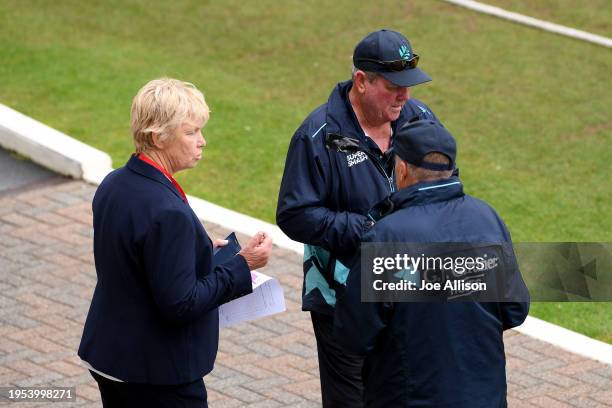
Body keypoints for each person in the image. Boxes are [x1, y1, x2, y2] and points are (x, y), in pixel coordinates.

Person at [78, 78, 272, 407]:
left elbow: (135, 250)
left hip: (111, 355)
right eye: (191, 132)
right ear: (158, 137)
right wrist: (243, 265)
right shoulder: (168, 212)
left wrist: (195, 244)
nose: (202, 142)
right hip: (156, 373)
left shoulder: (114, 184)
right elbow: (181, 304)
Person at [276, 29, 442, 406]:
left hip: (408, 293)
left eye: (409, 85)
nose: (404, 96)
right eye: (393, 86)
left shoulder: (420, 120)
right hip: (342, 301)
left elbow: (446, 180)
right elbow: (294, 214)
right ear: (362, 81)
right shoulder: (317, 135)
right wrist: (367, 231)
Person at [334, 119, 530, 408]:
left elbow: (354, 334)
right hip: (484, 398)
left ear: (401, 169)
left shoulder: (388, 236)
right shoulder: (487, 218)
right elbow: (515, 309)